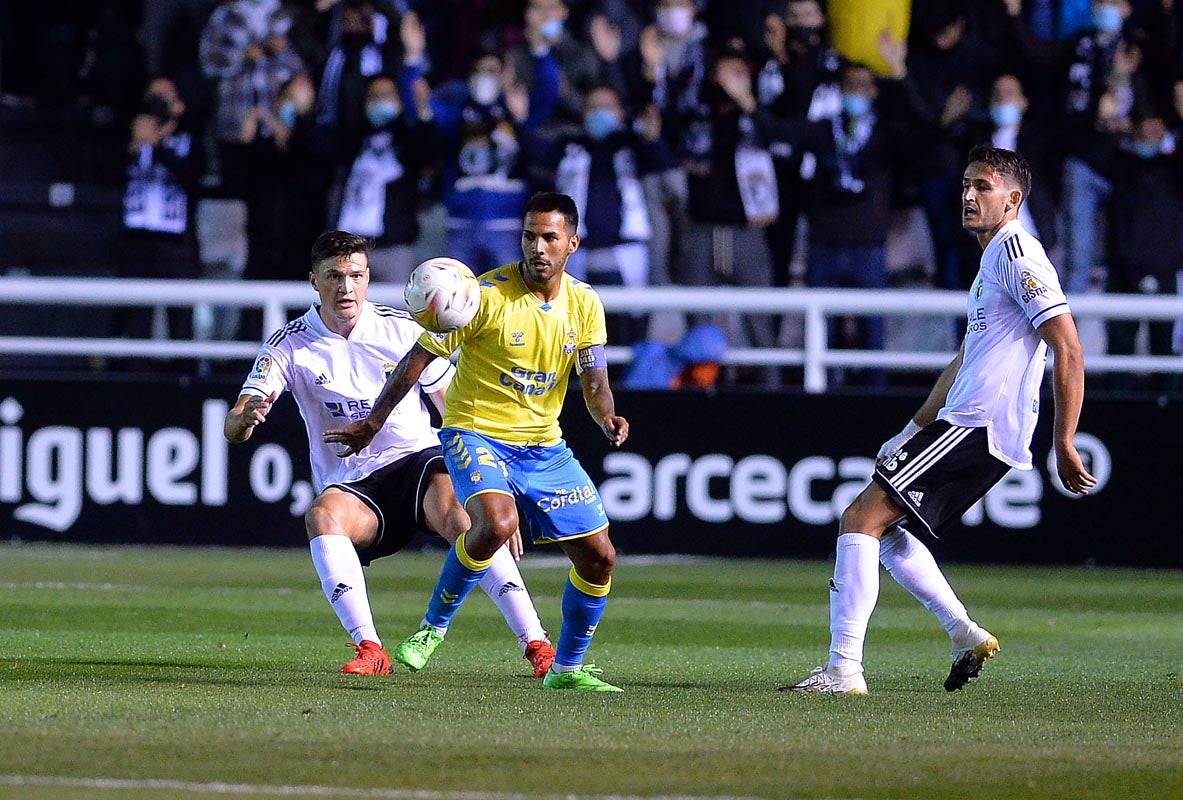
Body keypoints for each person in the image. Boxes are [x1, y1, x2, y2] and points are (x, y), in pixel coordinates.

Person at [785, 146, 1097, 695]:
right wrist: (911, 430)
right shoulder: (992, 261)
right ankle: (962, 633)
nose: (969, 196)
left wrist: (1064, 440)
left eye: (983, 186)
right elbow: (964, 360)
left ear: (1013, 198)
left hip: (978, 422)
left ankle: (843, 670)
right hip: (968, 419)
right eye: (965, 186)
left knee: (860, 518)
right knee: (882, 530)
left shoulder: (1019, 253)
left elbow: (1067, 346)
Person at [324, 193, 630, 692]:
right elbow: (416, 361)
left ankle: (567, 669)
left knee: (600, 556)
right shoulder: (481, 295)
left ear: (572, 243)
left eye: (549, 237)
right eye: (529, 235)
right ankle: (431, 629)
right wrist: (373, 423)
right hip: (474, 431)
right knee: (497, 523)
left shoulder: (585, 303)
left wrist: (607, 416)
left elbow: (594, 379)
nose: (537, 247)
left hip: (544, 446)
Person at [223, 230, 556, 678]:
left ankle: (537, 646)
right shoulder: (290, 344)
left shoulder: (401, 329)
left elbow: (454, 410)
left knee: (465, 519)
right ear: (314, 281)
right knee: (322, 517)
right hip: (357, 485)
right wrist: (244, 421)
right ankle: (370, 650)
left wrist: (490, 486)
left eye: (356, 276)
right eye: (335, 277)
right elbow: (235, 423)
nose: (346, 288)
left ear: (367, 278)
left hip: (417, 460)